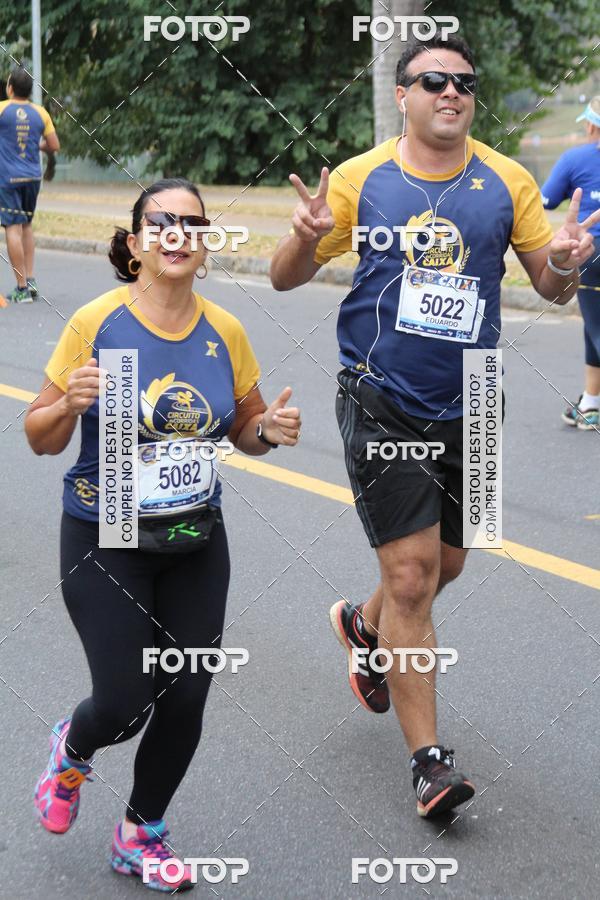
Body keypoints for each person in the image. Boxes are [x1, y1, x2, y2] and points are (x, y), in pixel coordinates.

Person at [271, 35, 600, 819]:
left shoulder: (507, 180)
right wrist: (306, 234)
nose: (452, 92)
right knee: (414, 574)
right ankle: (430, 765)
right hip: (383, 394)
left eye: (464, 82)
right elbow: (286, 278)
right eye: (435, 81)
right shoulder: (361, 180)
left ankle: (362, 624)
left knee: (448, 564)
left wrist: (569, 259)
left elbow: (550, 291)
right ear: (405, 96)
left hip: (476, 398)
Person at [25, 178, 301, 892]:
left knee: (184, 695)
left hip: (195, 540)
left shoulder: (224, 331)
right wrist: (70, 404)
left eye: (192, 224)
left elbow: (246, 425)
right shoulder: (98, 322)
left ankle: (141, 833)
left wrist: (266, 430)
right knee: (124, 698)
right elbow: (38, 434)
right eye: (161, 222)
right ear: (135, 243)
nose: (177, 233)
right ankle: (73, 750)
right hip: (104, 532)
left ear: (204, 244)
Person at [541, 96, 600, 430]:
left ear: (591, 125)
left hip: (593, 251)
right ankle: (590, 404)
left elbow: (546, 200)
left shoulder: (575, 158)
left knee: (596, 325)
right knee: (594, 328)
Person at [0, 64, 59, 303]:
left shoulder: (2, 109)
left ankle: (22, 289)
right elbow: (54, 145)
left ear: (10, 87)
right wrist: (36, 145)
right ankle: (31, 280)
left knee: (12, 228)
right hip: (33, 178)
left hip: (8, 178)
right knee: (26, 226)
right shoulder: (41, 112)